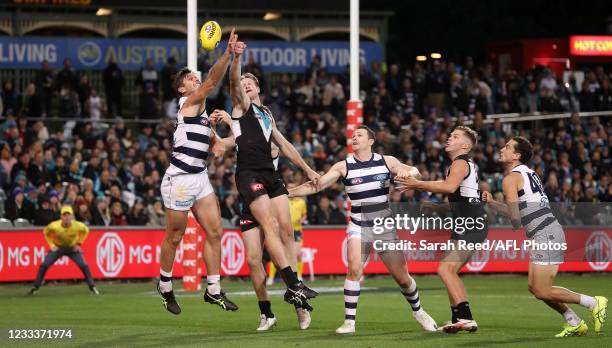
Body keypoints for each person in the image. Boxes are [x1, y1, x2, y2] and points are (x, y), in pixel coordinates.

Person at [289, 125, 437, 334]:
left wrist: (409, 171)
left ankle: (418, 311)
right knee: (354, 269)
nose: (354, 137)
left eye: (360, 135)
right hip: (358, 224)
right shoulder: (344, 166)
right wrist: (287, 193)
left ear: (371, 141)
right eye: (353, 135)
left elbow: (416, 172)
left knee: (402, 277)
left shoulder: (387, 161)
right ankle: (350, 322)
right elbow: (317, 185)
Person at [215, 36, 320, 328]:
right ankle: (271, 308)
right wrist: (236, 59)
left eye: (251, 82)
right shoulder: (240, 105)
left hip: (271, 177)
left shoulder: (267, 115)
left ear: (259, 88)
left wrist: (308, 169)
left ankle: (298, 299)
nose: (246, 84)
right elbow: (235, 83)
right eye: (244, 83)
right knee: (254, 258)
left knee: (285, 231)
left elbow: (285, 146)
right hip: (249, 176)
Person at [482, 136, 608, 337]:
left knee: (542, 289)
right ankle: (573, 320)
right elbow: (524, 212)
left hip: (545, 233)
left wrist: (504, 214)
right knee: (535, 287)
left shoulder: (510, 179)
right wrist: (494, 204)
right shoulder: (528, 173)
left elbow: (516, 219)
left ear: (516, 155)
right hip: (546, 230)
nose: (502, 148)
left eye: (507, 147)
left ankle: (593, 302)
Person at [156, 29, 239, 315]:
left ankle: (213, 290)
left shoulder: (202, 116)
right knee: (175, 236)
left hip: (199, 178)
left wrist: (233, 134)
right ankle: (165, 285)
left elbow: (219, 148)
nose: (197, 80)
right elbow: (214, 80)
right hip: (178, 180)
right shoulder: (188, 104)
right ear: (182, 90)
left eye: (195, 77)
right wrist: (227, 53)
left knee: (216, 231)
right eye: (191, 79)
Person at [396, 126, 487, 333]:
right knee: (450, 271)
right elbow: (463, 197)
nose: (449, 138)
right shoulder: (464, 164)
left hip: (469, 222)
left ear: (465, 145)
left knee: (445, 269)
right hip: (469, 220)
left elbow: (448, 187)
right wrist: (437, 207)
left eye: (455, 137)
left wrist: (417, 184)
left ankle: (466, 317)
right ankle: (458, 316)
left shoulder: (460, 163)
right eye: (450, 135)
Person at [29, 206, 99, 295]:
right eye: (64, 215)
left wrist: (78, 244)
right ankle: (36, 287)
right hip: (59, 247)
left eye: (68, 215)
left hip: (72, 248)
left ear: (72, 217)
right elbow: (46, 232)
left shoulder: (78, 225)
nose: (66, 217)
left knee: (83, 265)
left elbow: (86, 230)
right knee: (44, 265)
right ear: (61, 217)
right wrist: (51, 245)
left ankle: (92, 287)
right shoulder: (54, 225)